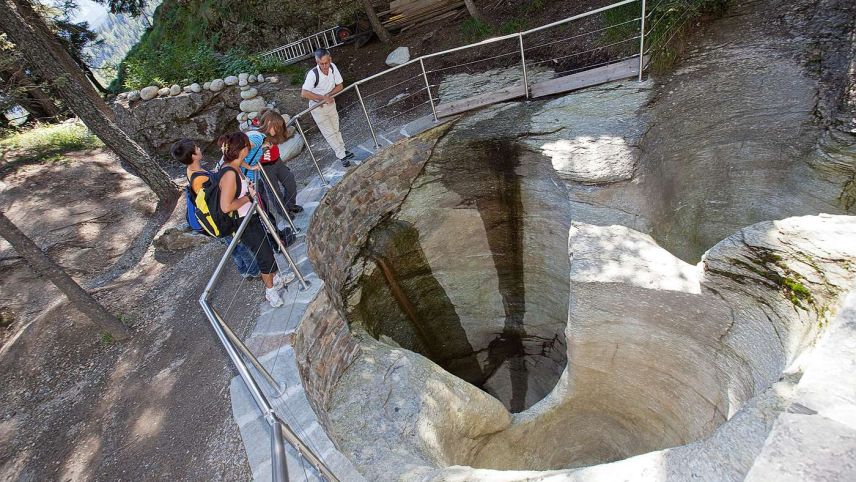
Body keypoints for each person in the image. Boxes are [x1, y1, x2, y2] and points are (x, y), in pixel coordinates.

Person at [217, 132, 291, 307]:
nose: (249, 149)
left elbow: (239, 174)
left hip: (251, 215)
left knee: (267, 249)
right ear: (242, 149)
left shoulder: (232, 165)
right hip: (243, 222)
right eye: (247, 146)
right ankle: (270, 291)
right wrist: (249, 197)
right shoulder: (228, 174)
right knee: (264, 256)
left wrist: (249, 172)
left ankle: (276, 279)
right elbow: (226, 206)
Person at [170, 139, 260, 279]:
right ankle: (254, 271)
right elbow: (215, 200)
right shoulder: (199, 180)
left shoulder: (193, 170)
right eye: (197, 148)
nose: (199, 149)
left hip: (215, 217)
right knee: (239, 245)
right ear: (193, 156)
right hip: (218, 218)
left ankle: (243, 270)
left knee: (233, 246)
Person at [301, 48, 354, 167]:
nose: (324, 66)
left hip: (330, 103)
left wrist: (329, 95)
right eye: (321, 64)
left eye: (326, 63)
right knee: (329, 132)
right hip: (317, 107)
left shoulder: (333, 68)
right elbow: (304, 93)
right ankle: (341, 156)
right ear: (317, 62)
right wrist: (322, 98)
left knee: (336, 128)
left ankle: (343, 150)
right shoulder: (313, 74)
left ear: (330, 60)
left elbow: (340, 85)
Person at [245, 110, 303, 217]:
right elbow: (243, 152)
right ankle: (283, 212)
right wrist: (250, 166)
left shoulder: (272, 132)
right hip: (265, 167)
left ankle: (290, 205)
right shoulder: (256, 135)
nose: (277, 130)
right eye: (276, 127)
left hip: (278, 161)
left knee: (290, 181)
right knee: (275, 192)